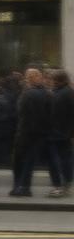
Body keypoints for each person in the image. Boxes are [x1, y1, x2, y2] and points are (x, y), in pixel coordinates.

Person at [11, 68, 50, 197]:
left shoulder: (28, 93)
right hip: (38, 132)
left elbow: (21, 113)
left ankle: (20, 186)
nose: (26, 79)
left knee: (21, 160)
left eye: (29, 77)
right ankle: (23, 186)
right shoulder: (46, 93)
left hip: (26, 132)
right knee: (28, 161)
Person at [46, 70, 74, 198]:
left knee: (59, 160)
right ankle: (66, 185)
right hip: (63, 132)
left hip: (58, 133)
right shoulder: (65, 92)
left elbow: (55, 114)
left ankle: (61, 186)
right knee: (65, 159)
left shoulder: (63, 93)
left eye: (52, 79)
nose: (50, 81)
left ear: (58, 80)